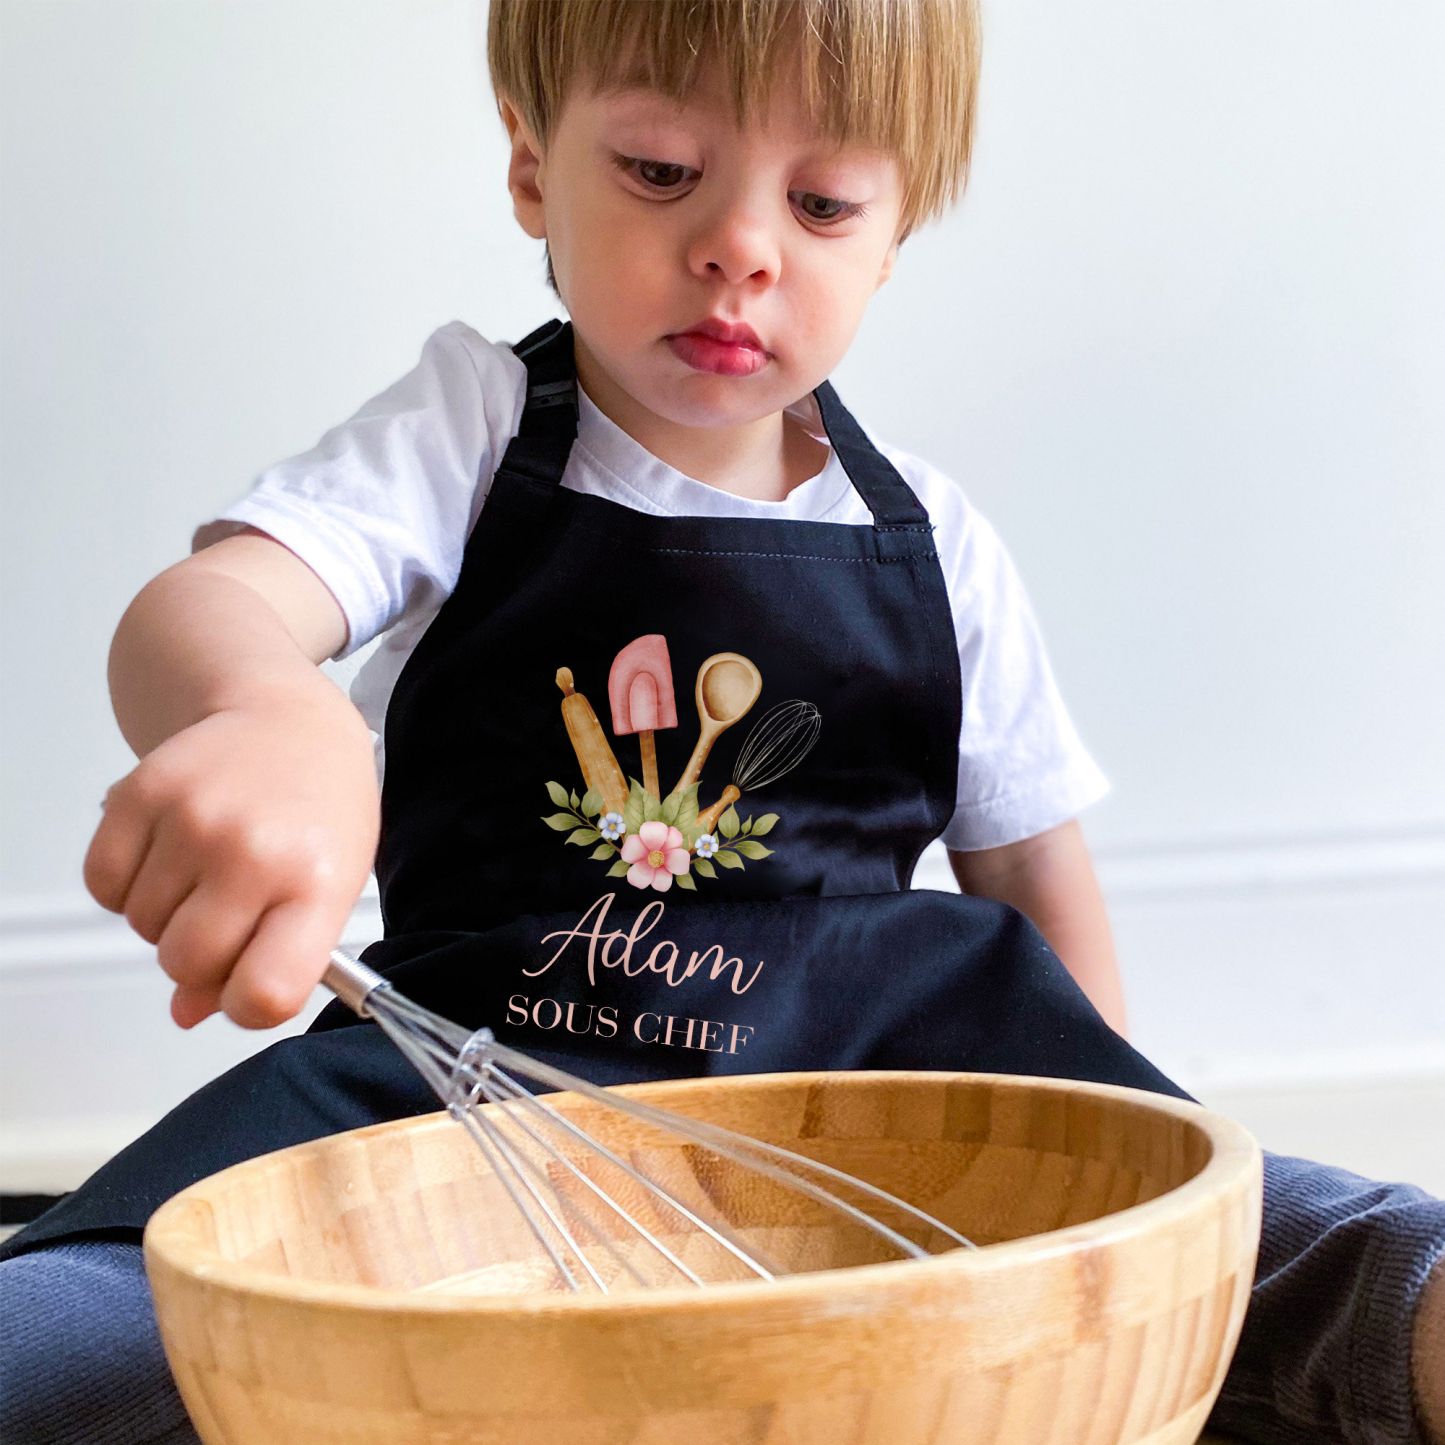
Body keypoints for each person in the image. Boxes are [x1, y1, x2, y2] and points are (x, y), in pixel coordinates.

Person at [2, 3, 1440, 1442]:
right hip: (472, 1101)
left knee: (1330, 1244)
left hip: (876, 1117)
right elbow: (213, 605)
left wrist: (1111, 1199)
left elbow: (1035, 881)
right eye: (657, 169)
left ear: (892, 238)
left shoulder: (937, 541)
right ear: (529, 168)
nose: (740, 247)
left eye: (820, 203)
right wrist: (267, 707)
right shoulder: (470, 429)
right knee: (78, 1334)